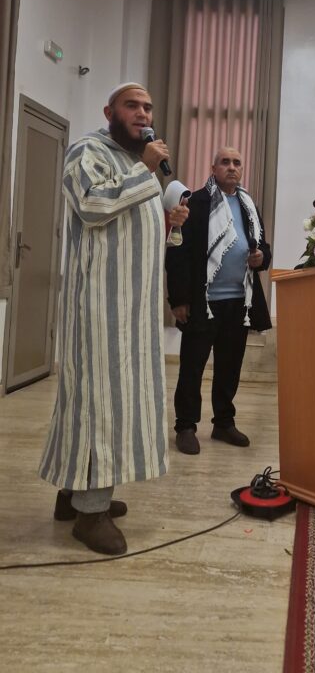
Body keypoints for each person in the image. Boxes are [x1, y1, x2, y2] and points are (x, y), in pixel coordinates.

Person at [39, 83, 188, 556]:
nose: (143, 114)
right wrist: (146, 169)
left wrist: (169, 222)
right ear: (110, 111)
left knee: (105, 403)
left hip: (133, 308)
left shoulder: (134, 161)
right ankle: (91, 514)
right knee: (99, 406)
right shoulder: (88, 151)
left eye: (148, 107)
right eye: (132, 106)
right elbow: (92, 206)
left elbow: (131, 228)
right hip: (100, 307)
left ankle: (72, 495)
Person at [166, 146, 272, 455]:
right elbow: (177, 252)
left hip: (239, 302)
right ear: (213, 169)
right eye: (225, 162)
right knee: (192, 367)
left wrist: (261, 257)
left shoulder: (248, 205)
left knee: (229, 367)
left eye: (237, 162)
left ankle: (223, 423)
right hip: (203, 301)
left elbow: (263, 247)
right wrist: (179, 300)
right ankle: (186, 426)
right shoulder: (195, 203)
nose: (231, 167)